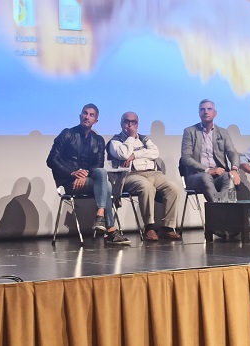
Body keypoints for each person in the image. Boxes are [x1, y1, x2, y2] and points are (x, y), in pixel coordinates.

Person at [47, 104, 130, 245]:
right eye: (85, 113)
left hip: (88, 181)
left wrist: (85, 175)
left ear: (95, 121)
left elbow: (98, 166)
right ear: (80, 116)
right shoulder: (67, 134)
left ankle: (103, 219)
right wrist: (72, 173)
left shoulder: (98, 140)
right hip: (70, 182)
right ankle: (108, 227)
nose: (87, 116)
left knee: (102, 173)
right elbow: (51, 159)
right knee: (108, 186)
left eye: (91, 115)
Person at [108, 112, 183, 241]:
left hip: (154, 173)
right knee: (146, 187)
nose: (130, 125)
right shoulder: (115, 141)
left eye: (134, 122)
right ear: (121, 123)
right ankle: (149, 228)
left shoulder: (144, 139)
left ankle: (167, 228)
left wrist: (135, 155)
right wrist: (131, 138)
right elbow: (124, 154)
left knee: (174, 188)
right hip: (131, 175)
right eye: (127, 122)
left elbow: (155, 152)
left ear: (137, 124)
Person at [180, 99, 250, 203]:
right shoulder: (190, 131)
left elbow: (232, 152)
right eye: (202, 109)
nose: (206, 111)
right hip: (197, 176)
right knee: (205, 177)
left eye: (209, 109)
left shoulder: (222, 132)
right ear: (199, 113)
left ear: (215, 113)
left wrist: (234, 169)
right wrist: (207, 170)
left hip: (219, 175)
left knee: (229, 177)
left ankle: (220, 208)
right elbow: (186, 158)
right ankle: (218, 210)